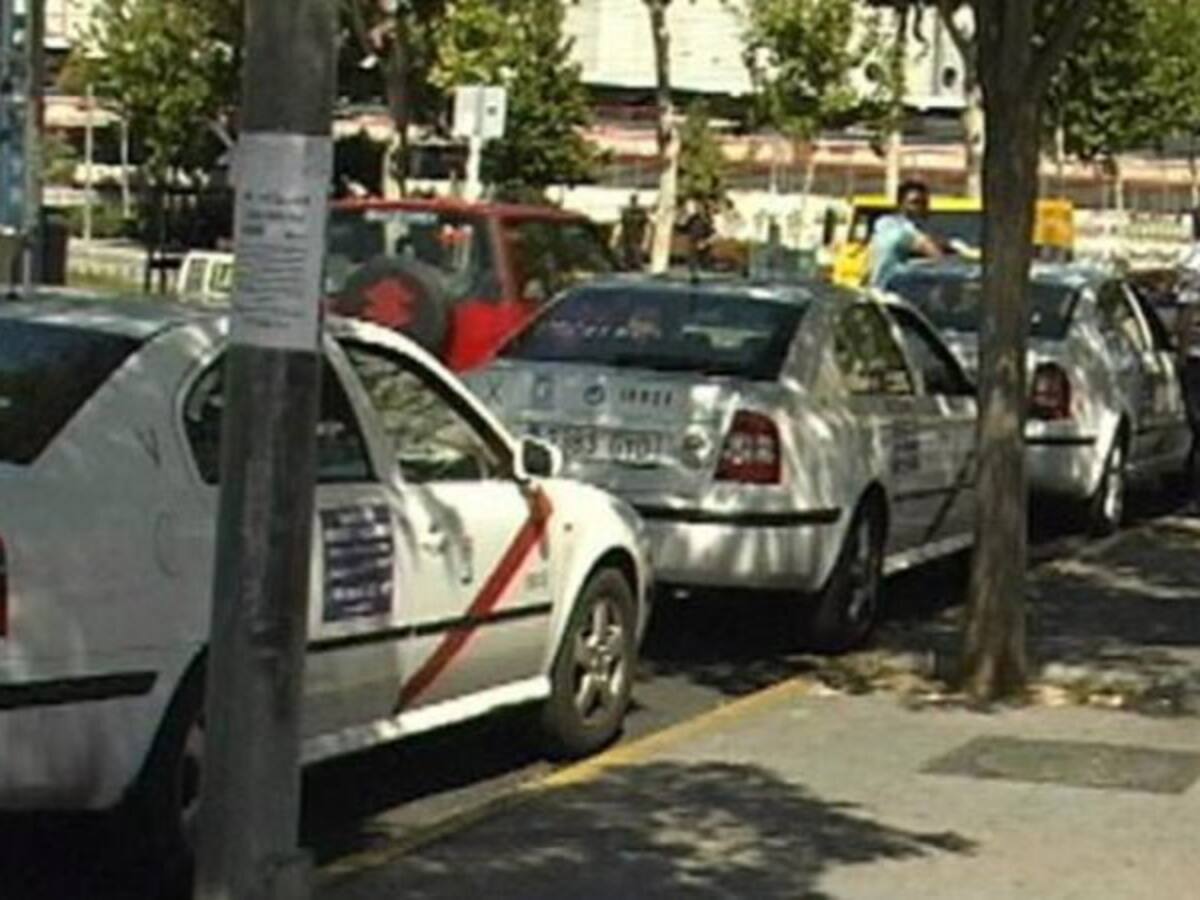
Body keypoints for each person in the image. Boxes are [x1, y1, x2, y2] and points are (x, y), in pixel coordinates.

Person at [867, 180, 945, 287]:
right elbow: (937, 256)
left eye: (925, 203)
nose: (921, 207)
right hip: (891, 292)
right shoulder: (906, 229)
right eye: (915, 202)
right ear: (901, 204)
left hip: (875, 288)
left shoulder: (883, 222)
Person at [615, 193, 650, 270]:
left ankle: (633, 263)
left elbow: (623, 221)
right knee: (633, 248)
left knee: (633, 248)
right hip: (632, 233)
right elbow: (645, 221)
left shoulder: (629, 211)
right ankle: (633, 263)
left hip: (632, 233)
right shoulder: (638, 211)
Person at [680, 197, 715, 273]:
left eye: (690, 207)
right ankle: (694, 271)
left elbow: (710, 229)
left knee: (700, 256)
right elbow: (683, 227)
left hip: (701, 238)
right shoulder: (690, 217)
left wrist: (705, 240)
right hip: (694, 238)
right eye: (688, 206)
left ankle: (701, 268)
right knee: (693, 256)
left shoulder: (702, 217)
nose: (688, 208)